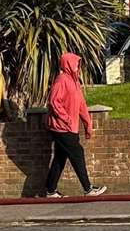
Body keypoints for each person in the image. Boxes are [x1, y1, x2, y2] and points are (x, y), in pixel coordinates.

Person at [43, 52, 106, 198]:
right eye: (77, 64)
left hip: (69, 126)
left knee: (60, 157)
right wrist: (66, 118)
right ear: (68, 64)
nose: (79, 67)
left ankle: (50, 190)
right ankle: (88, 188)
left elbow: (81, 104)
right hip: (60, 127)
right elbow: (53, 101)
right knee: (77, 153)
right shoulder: (62, 80)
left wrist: (87, 124)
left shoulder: (75, 82)